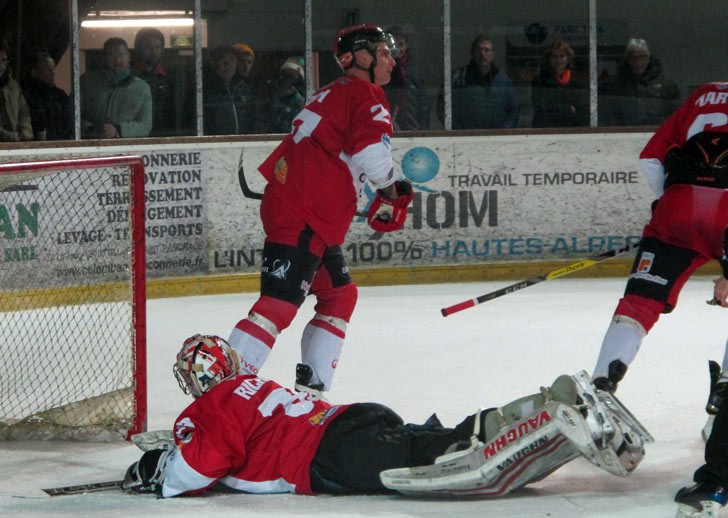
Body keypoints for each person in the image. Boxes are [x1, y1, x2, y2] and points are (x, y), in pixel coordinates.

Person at [121, 334, 651, 498]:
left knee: (431, 456)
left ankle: (548, 420)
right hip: (351, 419)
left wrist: (157, 471)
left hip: (328, 454)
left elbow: (202, 464)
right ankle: (534, 408)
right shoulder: (253, 383)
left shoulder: (209, 406)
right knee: (430, 439)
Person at [226, 24, 413, 400]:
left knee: (340, 296)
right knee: (278, 303)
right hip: (305, 211)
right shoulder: (367, 93)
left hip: (299, 207)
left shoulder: (331, 92)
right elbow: (372, 154)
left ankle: (311, 396)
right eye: (383, 52)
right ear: (362, 58)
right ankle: (220, 394)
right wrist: (394, 192)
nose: (391, 60)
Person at [591, 82, 728, 396]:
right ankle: (726, 398)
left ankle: (601, 387)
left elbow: (650, 158)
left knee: (638, 306)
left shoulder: (703, 94)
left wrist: (666, 203)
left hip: (676, 207)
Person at [439, 35, 518, 129]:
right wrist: (458, 131)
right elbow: (443, 107)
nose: (483, 54)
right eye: (479, 50)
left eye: (487, 50)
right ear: (472, 53)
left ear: (493, 54)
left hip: (497, 138)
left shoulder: (504, 81)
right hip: (465, 138)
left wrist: (503, 132)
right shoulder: (458, 77)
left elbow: (513, 110)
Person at [80, 37, 152, 138]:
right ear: (104, 58)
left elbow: (145, 126)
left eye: (121, 55)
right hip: (91, 147)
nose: (117, 60)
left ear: (128, 56)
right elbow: (71, 116)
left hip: (127, 149)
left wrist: (118, 130)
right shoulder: (86, 82)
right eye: (111, 56)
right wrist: (91, 130)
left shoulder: (142, 88)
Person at [599, 38, 680, 126]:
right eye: (634, 58)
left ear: (648, 58)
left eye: (642, 57)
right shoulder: (613, 84)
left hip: (657, 133)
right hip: (623, 133)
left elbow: (676, 114)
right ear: (628, 59)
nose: (638, 63)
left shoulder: (666, 85)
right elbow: (605, 113)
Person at [531, 40, 588, 128]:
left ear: (568, 58)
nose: (558, 61)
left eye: (562, 56)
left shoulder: (577, 80)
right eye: (554, 57)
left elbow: (583, 110)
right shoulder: (540, 80)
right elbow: (541, 109)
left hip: (572, 130)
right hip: (546, 130)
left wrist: (556, 107)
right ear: (549, 59)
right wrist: (568, 109)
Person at [381, 27, 430, 131]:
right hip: (386, 131)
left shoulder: (414, 74)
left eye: (401, 44)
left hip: (412, 130)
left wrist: (423, 131)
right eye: (393, 46)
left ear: (406, 45)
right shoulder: (379, 73)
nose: (398, 49)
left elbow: (424, 107)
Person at [133, 28, 176, 137]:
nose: (154, 51)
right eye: (148, 47)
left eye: (157, 47)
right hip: (134, 135)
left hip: (163, 135)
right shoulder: (129, 77)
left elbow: (171, 111)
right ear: (139, 49)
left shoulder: (168, 78)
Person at [21, 50, 72, 141]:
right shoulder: (24, 95)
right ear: (34, 72)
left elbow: (69, 123)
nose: (53, 73)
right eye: (47, 70)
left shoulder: (60, 96)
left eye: (53, 69)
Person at [203, 44, 254, 135]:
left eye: (231, 61)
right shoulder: (205, 89)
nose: (227, 66)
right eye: (223, 62)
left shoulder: (243, 88)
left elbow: (253, 118)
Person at [261, 56, 306, 133]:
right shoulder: (271, 100)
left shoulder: (302, 102)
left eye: (293, 78)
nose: (288, 82)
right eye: (286, 77)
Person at [0, 42, 33, 142]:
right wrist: (9, 136)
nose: (1, 66)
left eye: (4, 61)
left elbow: (23, 112)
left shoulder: (13, 87)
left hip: (14, 146)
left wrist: (25, 130)